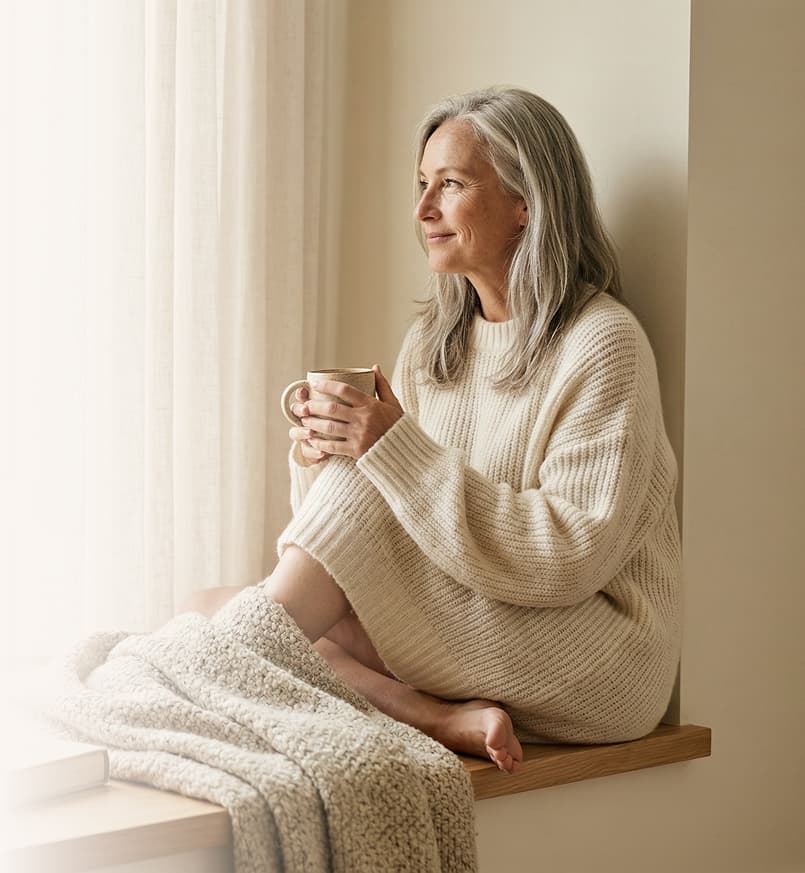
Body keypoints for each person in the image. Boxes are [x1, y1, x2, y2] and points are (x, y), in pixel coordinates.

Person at [188, 88, 682, 775]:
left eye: (448, 185)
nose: (421, 210)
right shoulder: (435, 342)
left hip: (596, 654)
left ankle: (202, 675)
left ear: (525, 203)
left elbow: (571, 556)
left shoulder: (601, 344)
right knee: (218, 602)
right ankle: (437, 715)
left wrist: (388, 451)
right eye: (422, 185)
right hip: (485, 610)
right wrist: (322, 452)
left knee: (252, 619)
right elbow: (352, 532)